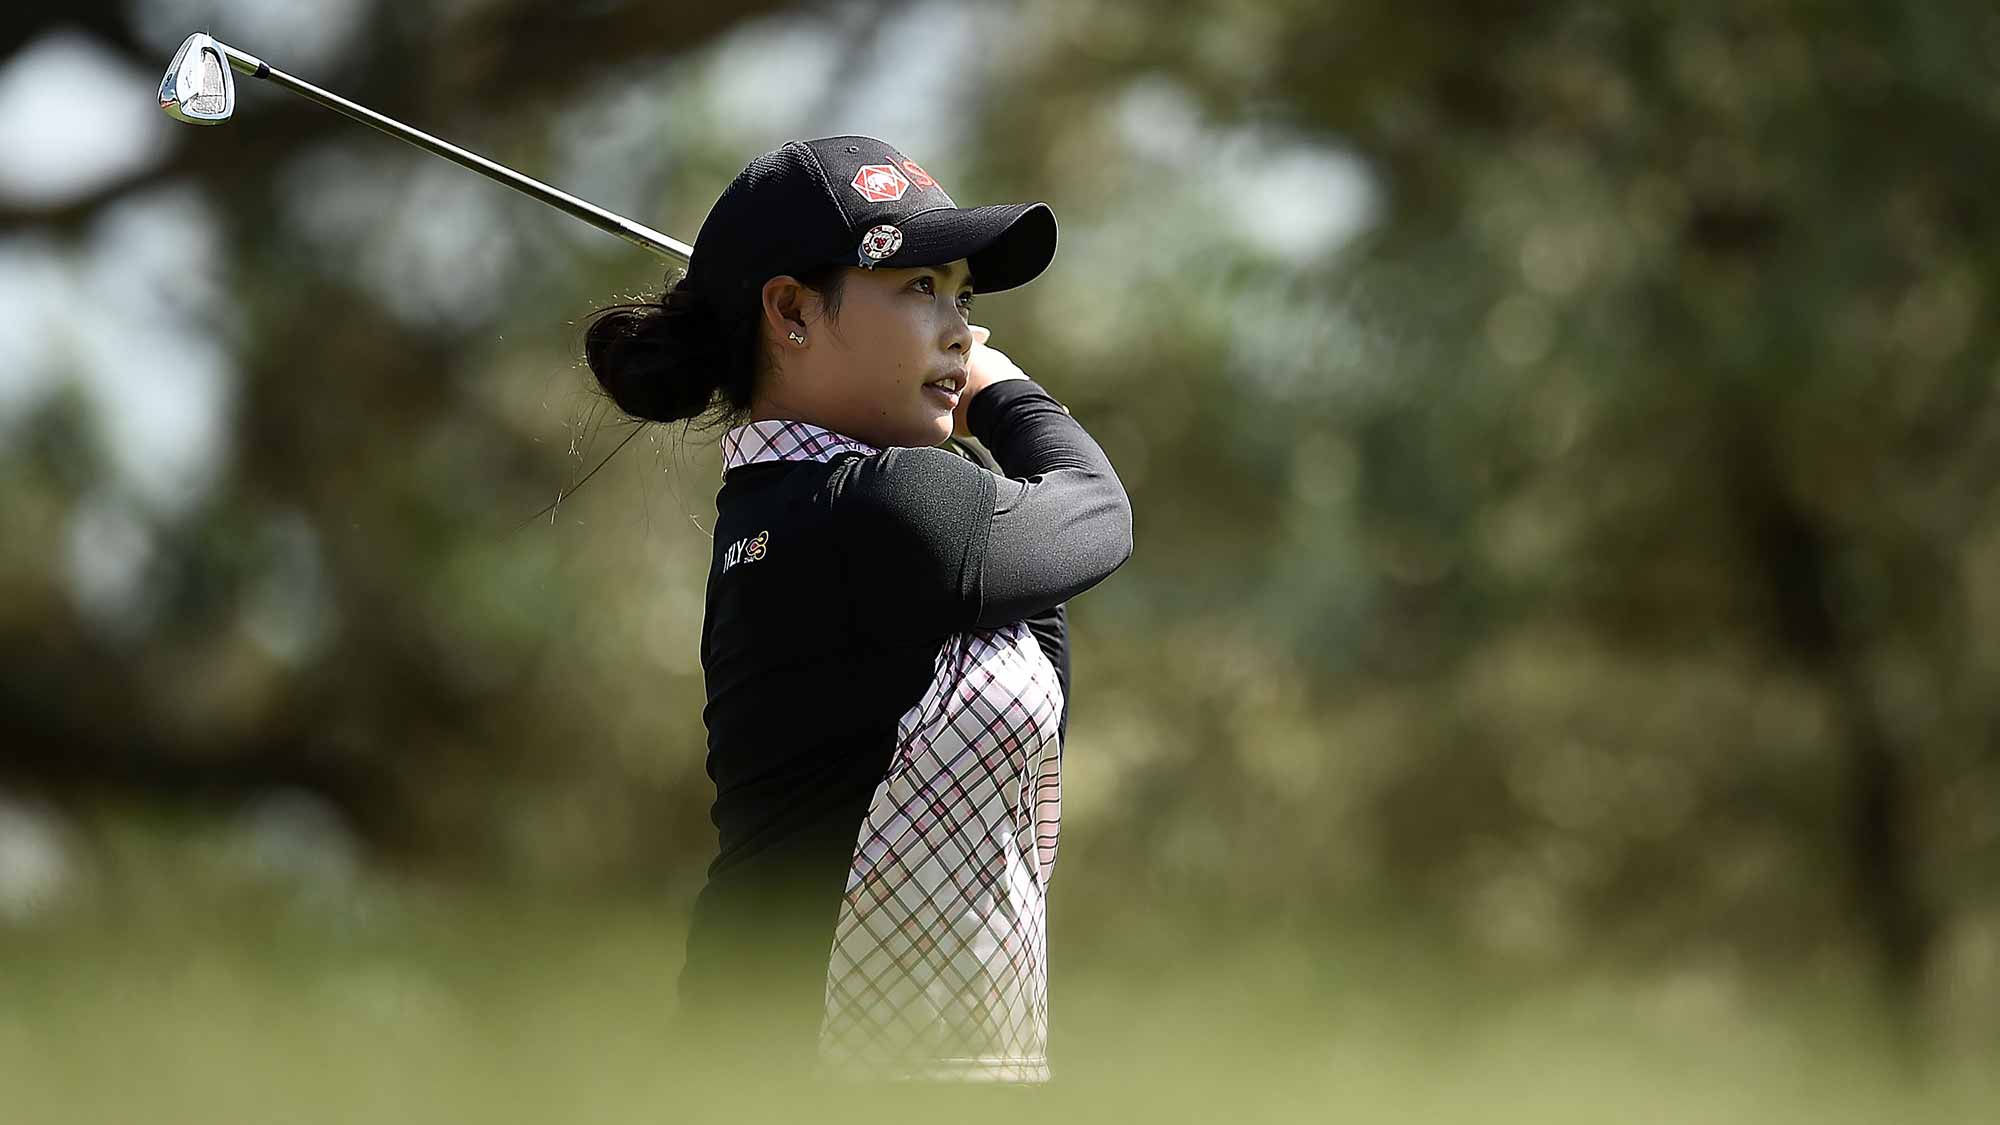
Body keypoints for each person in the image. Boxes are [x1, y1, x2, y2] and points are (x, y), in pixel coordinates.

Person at [581, 136, 1133, 1091]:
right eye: (919, 285)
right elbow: (1096, 510)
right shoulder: (870, 511)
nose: (959, 328)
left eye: (963, 295)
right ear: (791, 310)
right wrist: (1005, 395)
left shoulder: (827, 508)